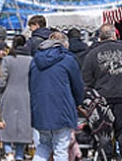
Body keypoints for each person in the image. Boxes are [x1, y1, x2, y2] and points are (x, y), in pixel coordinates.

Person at [81, 24, 122, 161]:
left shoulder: (92, 55)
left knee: (105, 134)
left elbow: (86, 83)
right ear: (114, 35)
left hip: (102, 100)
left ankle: (107, 157)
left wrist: (86, 103)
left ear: (99, 37)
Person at [28, 31, 84, 161]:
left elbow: (30, 85)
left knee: (43, 145)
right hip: (62, 109)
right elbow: (78, 86)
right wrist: (77, 103)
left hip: (41, 109)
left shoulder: (35, 60)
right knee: (60, 147)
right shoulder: (68, 60)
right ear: (64, 45)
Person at [0, 35, 33, 161]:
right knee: (23, 127)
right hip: (26, 95)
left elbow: (2, 81)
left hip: (9, 95)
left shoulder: (8, 60)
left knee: (6, 125)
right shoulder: (31, 60)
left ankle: (8, 152)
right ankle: (19, 154)